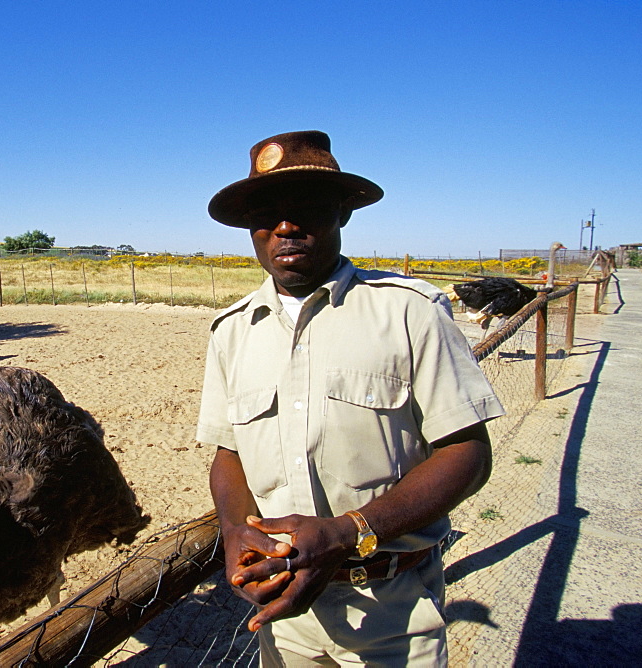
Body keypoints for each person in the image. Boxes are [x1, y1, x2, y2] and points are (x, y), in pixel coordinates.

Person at [197, 131, 505, 666]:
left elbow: (469, 454)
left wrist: (347, 533)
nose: (286, 226)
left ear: (343, 212)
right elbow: (229, 453)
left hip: (391, 608)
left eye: (307, 207)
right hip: (284, 609)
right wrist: (234, 533)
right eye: (266, 212)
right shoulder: (232, 330)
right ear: (251, 228)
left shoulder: (411, 313)